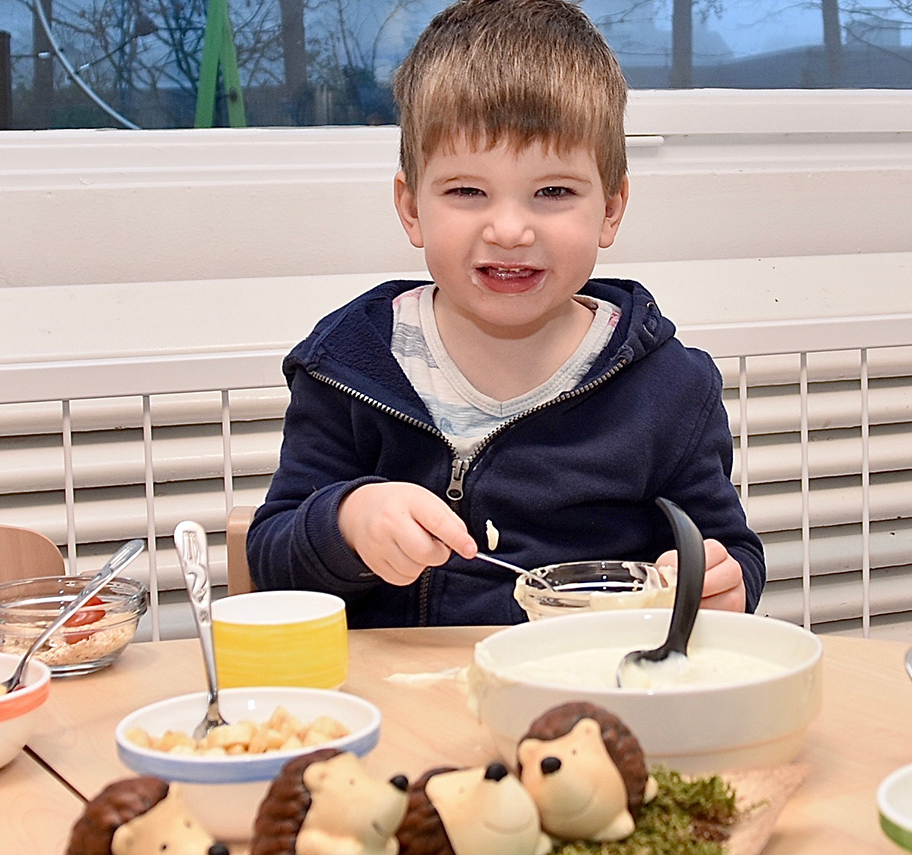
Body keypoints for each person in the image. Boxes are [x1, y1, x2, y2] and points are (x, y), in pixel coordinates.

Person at [246, 0, 764, 627]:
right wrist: (348, 522)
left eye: (553, 192)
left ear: (611, 209)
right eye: (467, 191)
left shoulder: (672, 391)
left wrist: (718, 581)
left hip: (590, 694)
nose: (510, 229)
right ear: (411, 208)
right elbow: (272, 560)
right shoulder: (348, 363)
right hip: (401, 706)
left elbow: (727, 551)